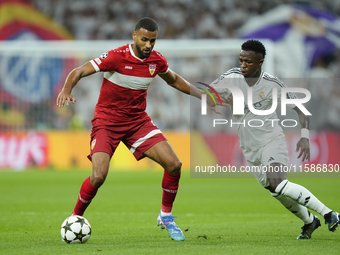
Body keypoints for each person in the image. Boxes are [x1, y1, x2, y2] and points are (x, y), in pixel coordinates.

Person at [56, 17, 220, 241]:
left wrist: (202, 95)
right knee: (98, 176)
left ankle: (166, 216)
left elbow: (173, 79)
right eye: (144, 39)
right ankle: (75, 217)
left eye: (152, 40)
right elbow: (79, 71)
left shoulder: (156, 60)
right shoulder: (116, 57)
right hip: (107, 123)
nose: (148, 45)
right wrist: (67, 89)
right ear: (134, 36)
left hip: (137, 122)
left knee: (174, 164)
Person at [210, 39, 339, 239]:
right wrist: (217, 97)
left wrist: (304, 137)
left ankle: (329, 213)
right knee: (275, 191)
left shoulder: (272, 84)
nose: (243, 65)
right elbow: (207, 91)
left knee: (278, 183)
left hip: (271, 141)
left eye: (248, 62)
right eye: (241, 60)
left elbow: (302, 111)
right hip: (250, 148)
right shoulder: (232, 77)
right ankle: (309, 222)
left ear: (260, 63)